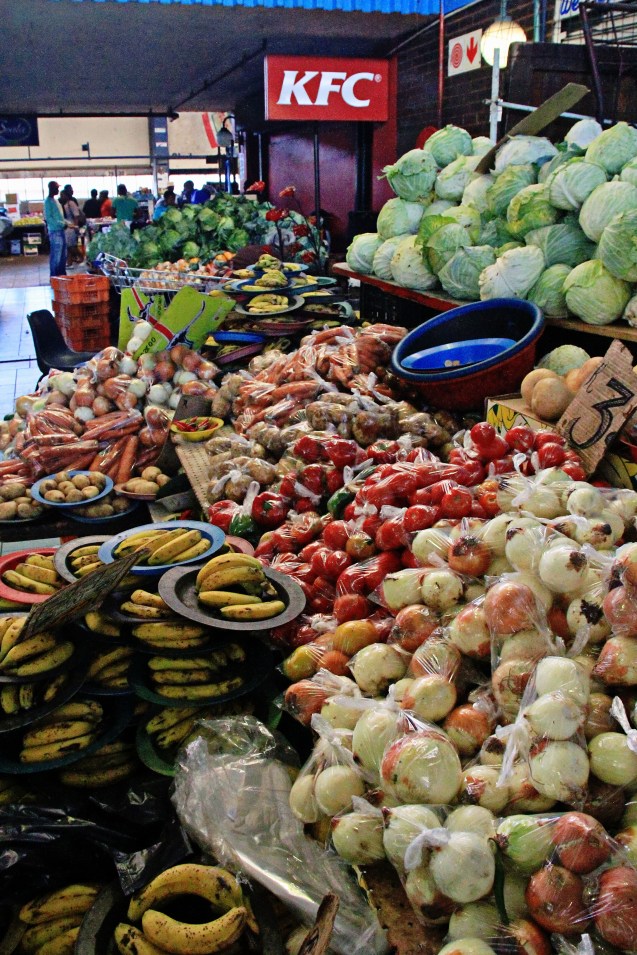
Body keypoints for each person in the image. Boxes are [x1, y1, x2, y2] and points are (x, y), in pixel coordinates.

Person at [43, 180, 67, 277]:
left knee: (63, 256)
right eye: (56, 188)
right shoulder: (48, 202)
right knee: (56, 256)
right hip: (55, 232)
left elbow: (59, 217)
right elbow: (49, 218)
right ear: (51, 188)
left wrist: (65, 223)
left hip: (61, 230)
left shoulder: (56, 201)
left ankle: (62, 275)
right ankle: (54, 277)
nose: (58, 190)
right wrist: (61, 224)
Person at [59, 187, 83, 267]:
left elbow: (76, 216)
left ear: (66, 195)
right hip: (66, 227)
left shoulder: (71, 203)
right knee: (68, 246)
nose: (61, 197)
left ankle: (81, 257)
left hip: (71, 227)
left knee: (72, 246)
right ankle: (69, 262)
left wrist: (75, 227)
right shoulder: (63, 204)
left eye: (62, 195)